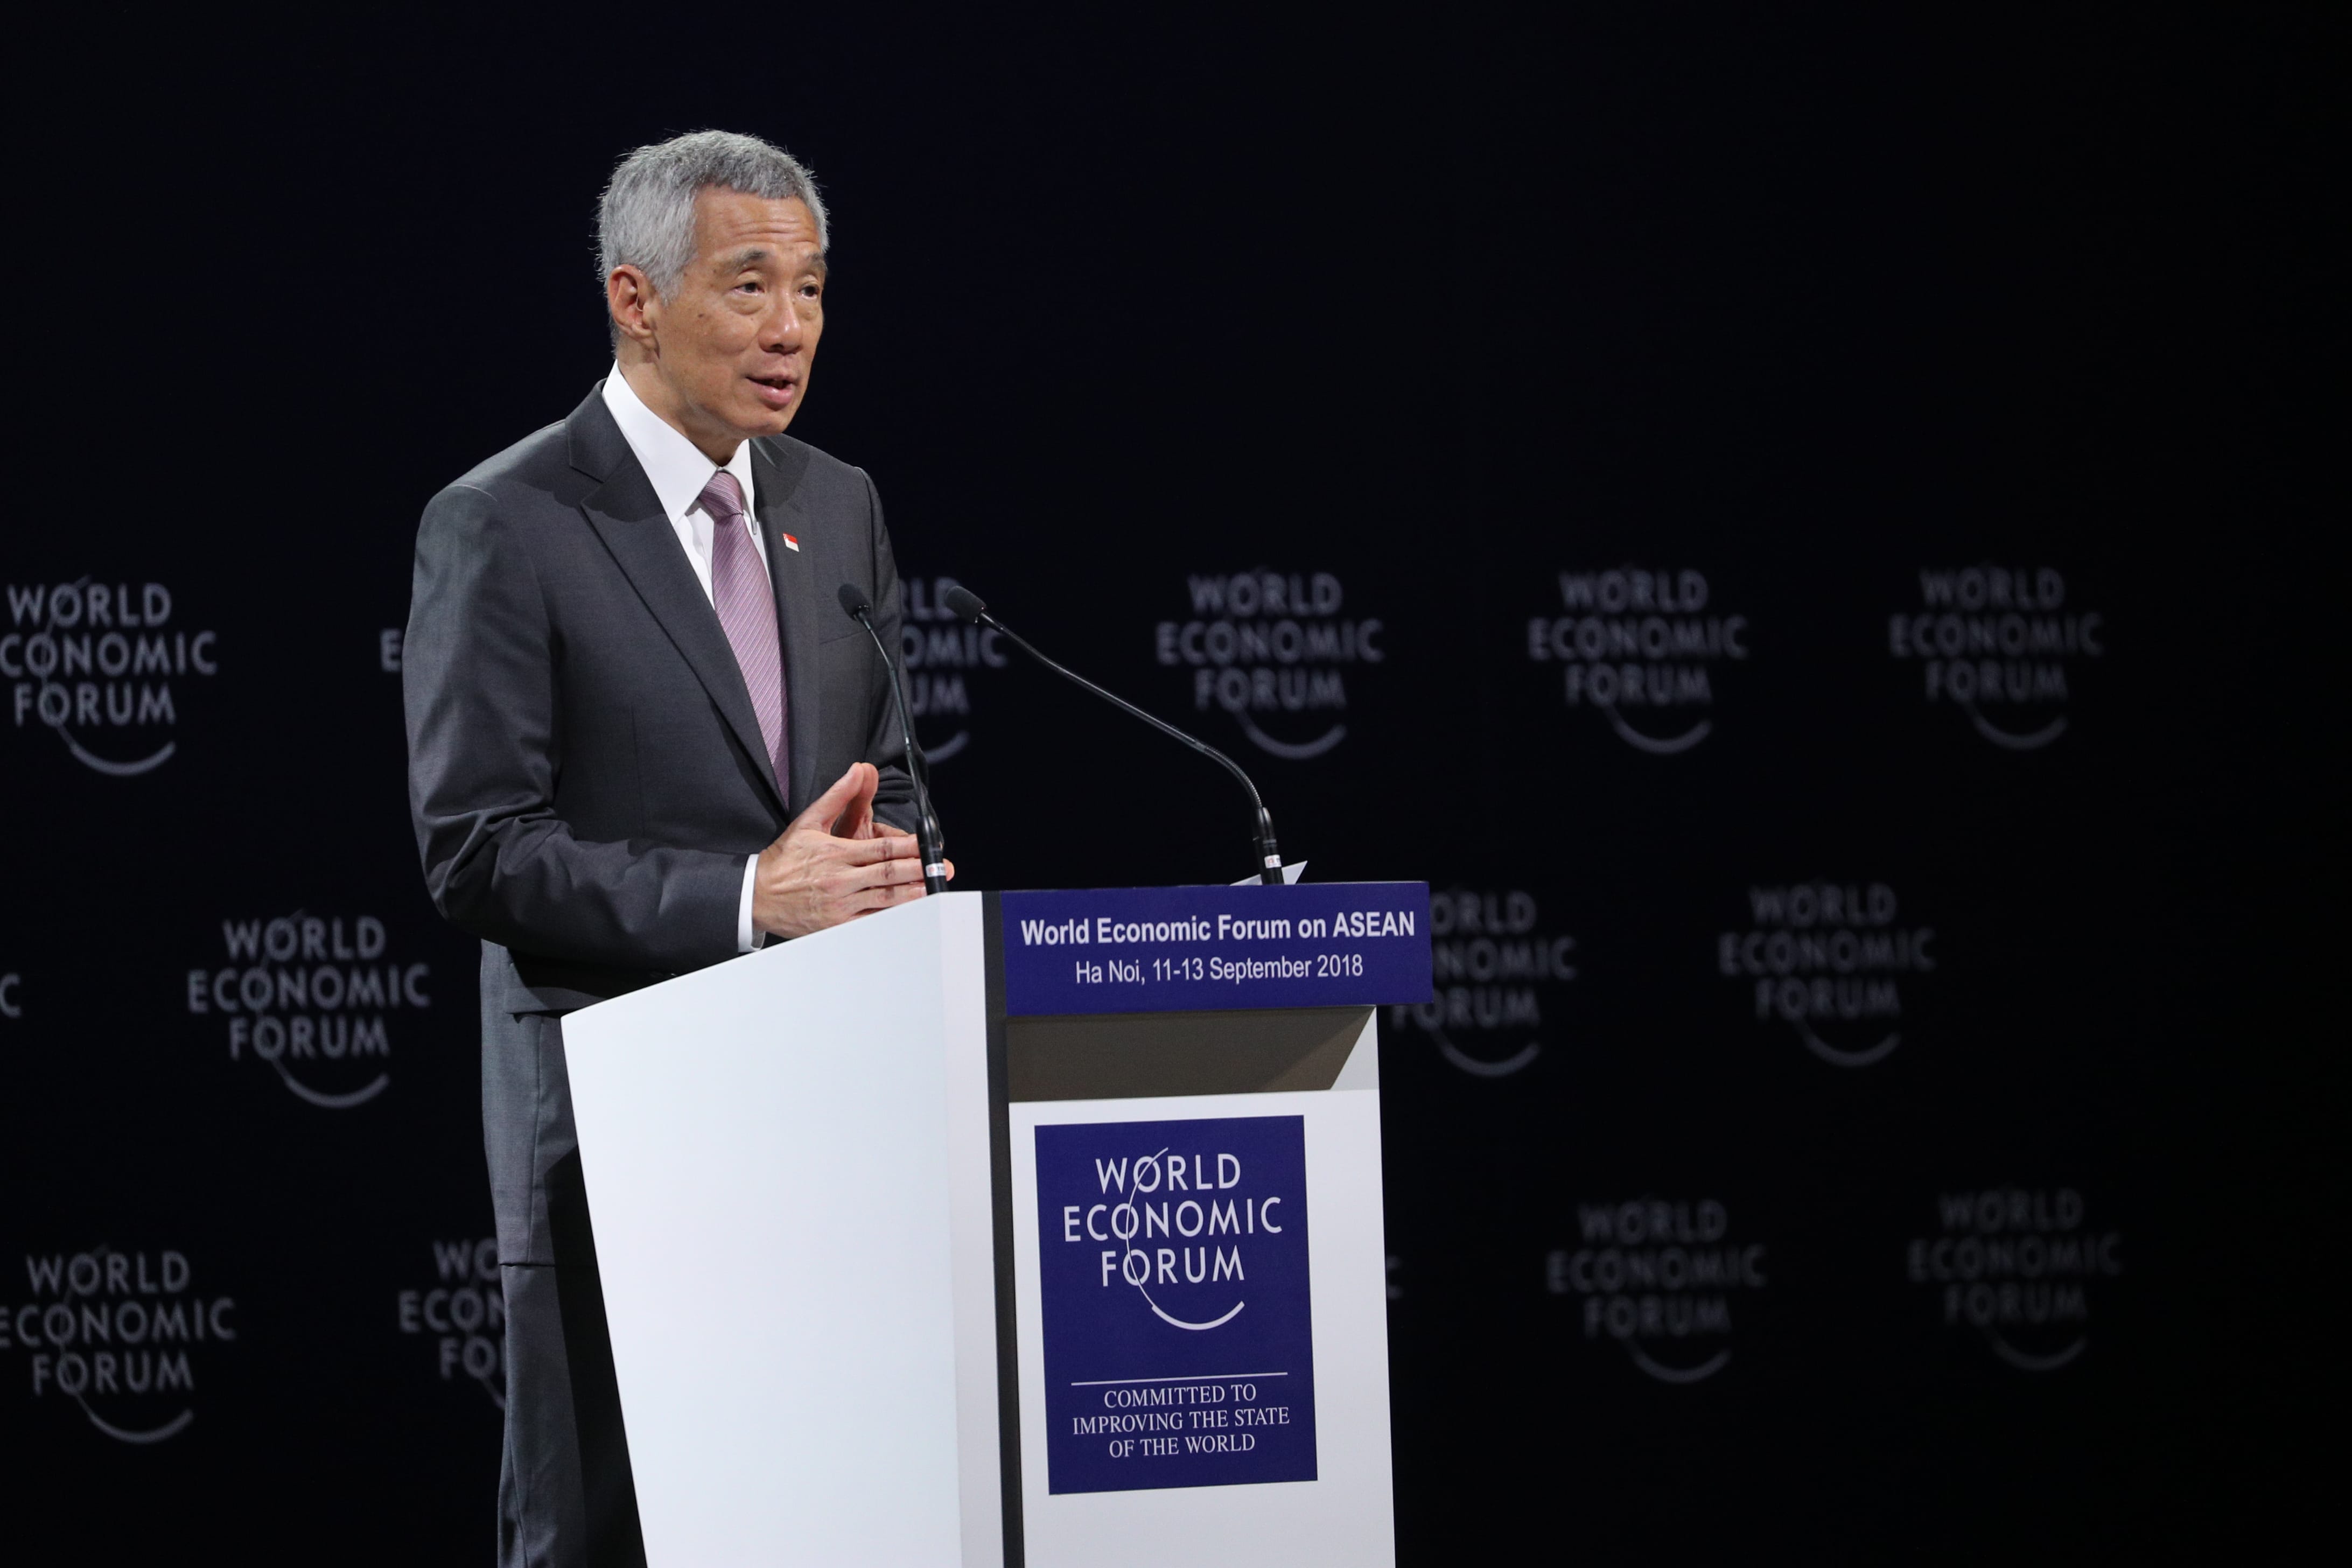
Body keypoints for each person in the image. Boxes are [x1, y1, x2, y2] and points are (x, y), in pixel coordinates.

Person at [402, 129, 943, 1567]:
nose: (793, 330)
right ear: (636, 302)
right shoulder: (505, 520)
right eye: (751, 285)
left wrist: (890, 868)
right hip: (614, 1118)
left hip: (831, 1118)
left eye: (815, 290)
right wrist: (750, 899)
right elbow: (478, 852)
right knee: (609, 1527)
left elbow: (876, 781)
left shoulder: (838, 506)